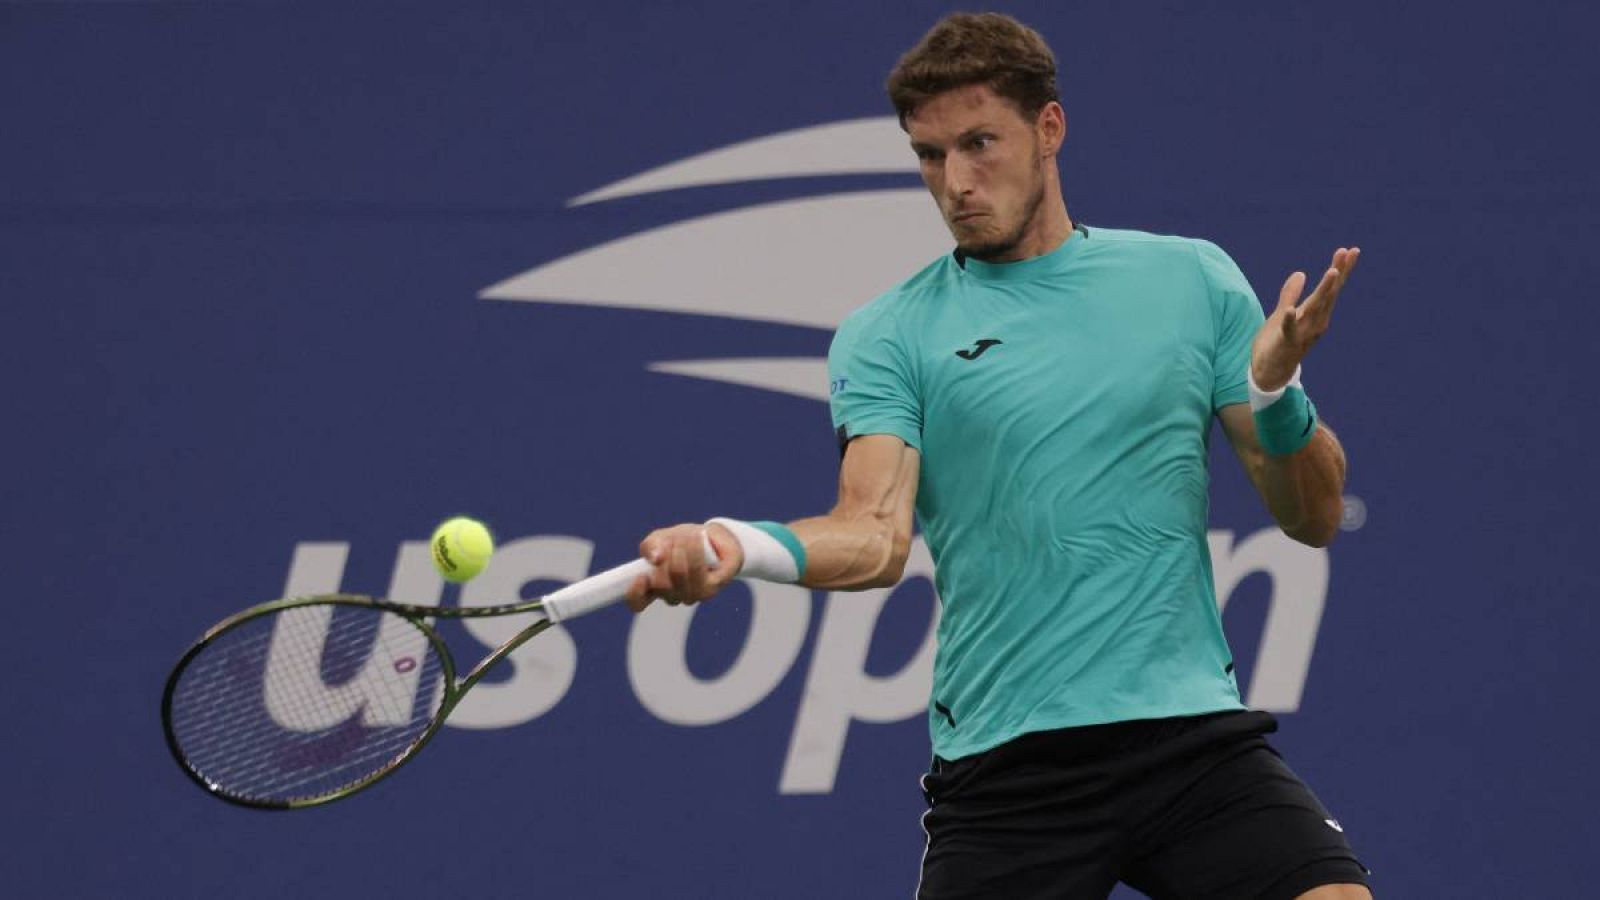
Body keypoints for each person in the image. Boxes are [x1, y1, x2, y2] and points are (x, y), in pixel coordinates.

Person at [624, 12, 1370, 900]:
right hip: (1009, 771)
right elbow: (872, 536)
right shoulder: (888, 334)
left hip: (1191, 745)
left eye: (980, 144)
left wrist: (1276, 394)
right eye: (930, 156)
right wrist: (730, 547)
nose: (955, 183)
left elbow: (1313, 517)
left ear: (1048, 130)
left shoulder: (1192, 281)